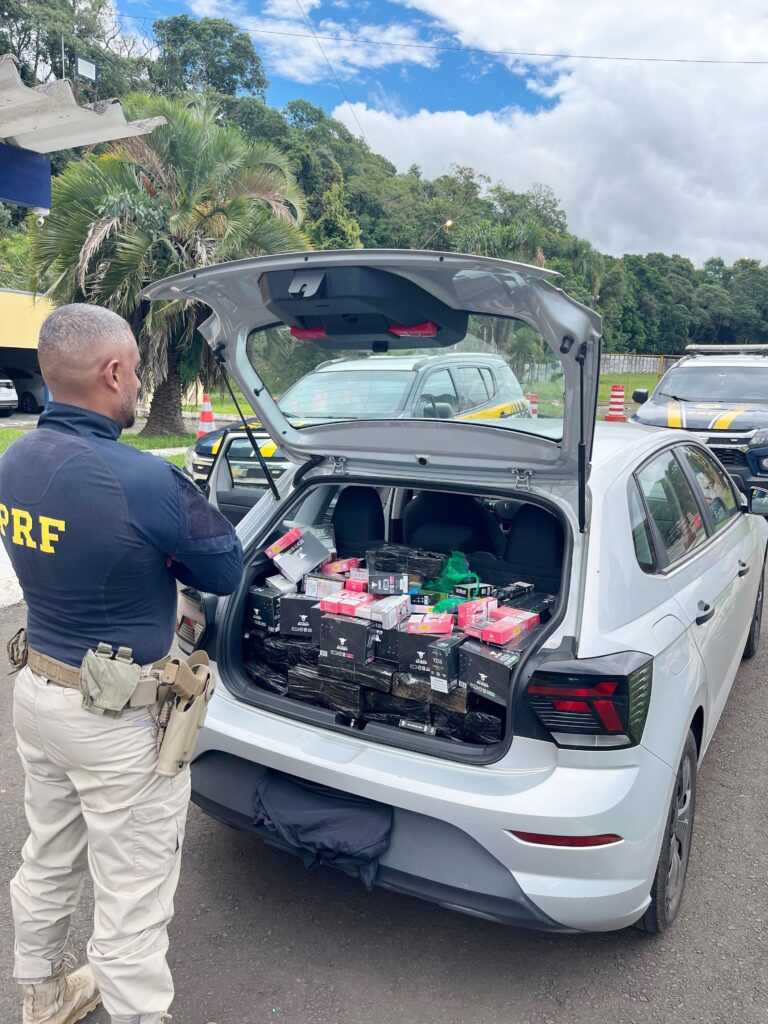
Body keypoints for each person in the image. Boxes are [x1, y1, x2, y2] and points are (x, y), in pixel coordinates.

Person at [0, 304, 244, 1024]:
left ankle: (43, 995)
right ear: (112, 373)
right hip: (117, 723)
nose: (139, 383)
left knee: (48, 857)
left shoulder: (14, 461)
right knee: (133, 895)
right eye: (137, 370)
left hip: (39, 694)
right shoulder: (145, 481)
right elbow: (226, 569)